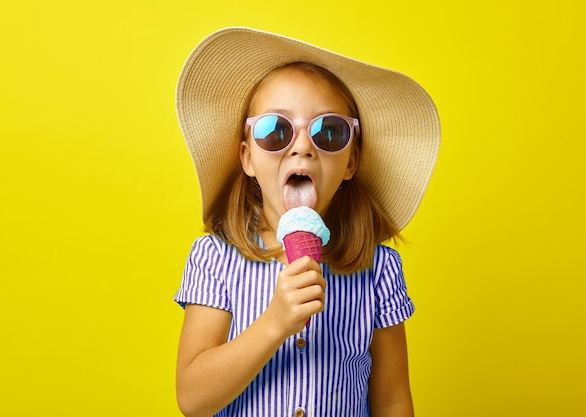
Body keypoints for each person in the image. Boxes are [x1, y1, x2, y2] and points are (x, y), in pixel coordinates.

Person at [173, 27, 440, 417]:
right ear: (247, 158)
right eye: (275, 130)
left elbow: (393, 399)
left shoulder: (378, 270)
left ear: (350, 162)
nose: (302, 146)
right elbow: (192, 399)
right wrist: (274, 322)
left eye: (328, 132)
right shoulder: (215, 258)